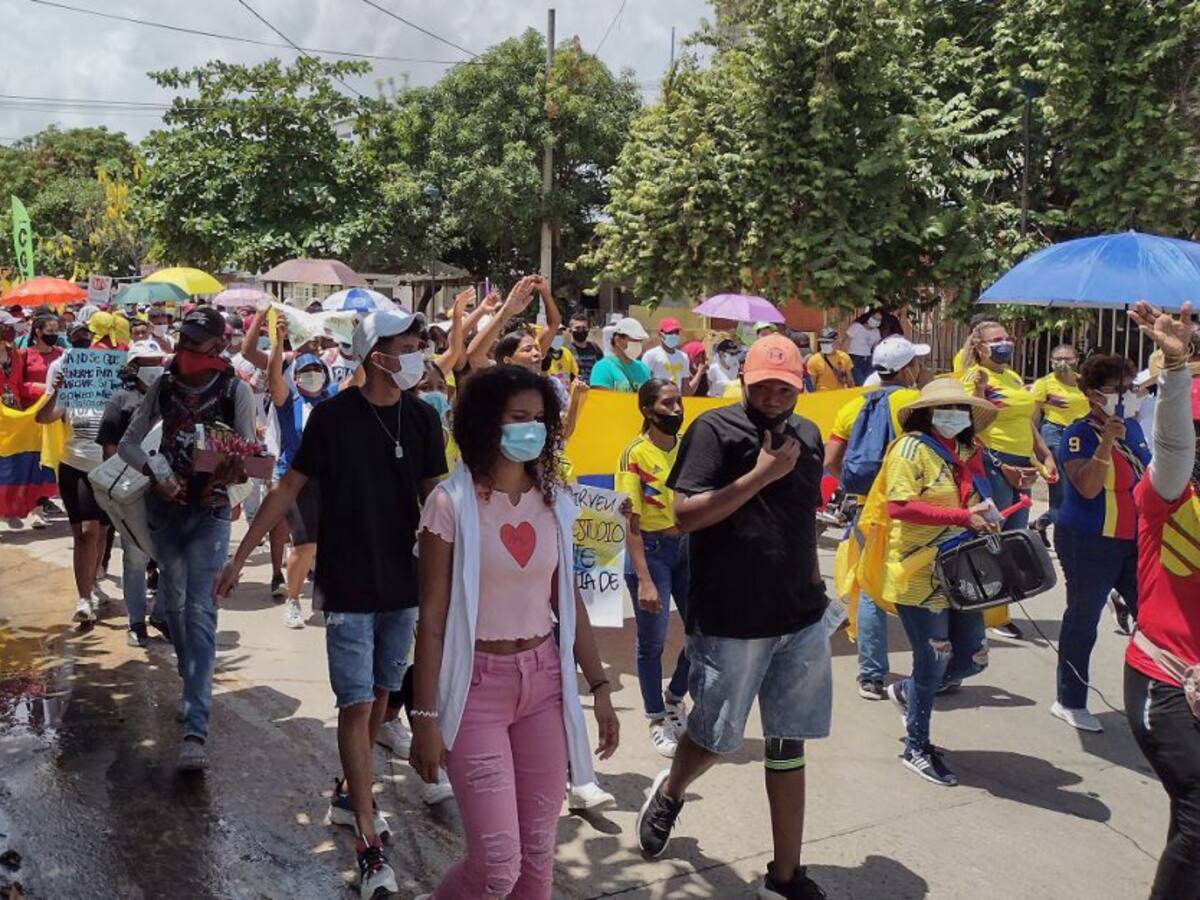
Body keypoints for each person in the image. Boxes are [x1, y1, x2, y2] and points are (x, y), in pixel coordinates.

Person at [215, 309, 447, 899]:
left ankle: (349, 792)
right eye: (410, 345)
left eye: (421, 344)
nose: (420, 353)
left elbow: (437, 506)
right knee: (354, 703)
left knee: (380, 700)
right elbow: (287, 487)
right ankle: (368, 838)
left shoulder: (422, 421)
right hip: (346, 584)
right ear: (377, 356)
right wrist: (240, 557)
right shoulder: (333, 419)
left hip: (404, 586)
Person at [409, 364, 618, 900]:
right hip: (475, 690)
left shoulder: (555, 501)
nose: (533, 430)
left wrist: (599, 689)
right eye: (518, 418)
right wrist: (426, 717)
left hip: (544, 684)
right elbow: (431, 621)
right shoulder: (450, 505)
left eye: (541, 420)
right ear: (485, 424)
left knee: (536, 862)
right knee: (497, 866)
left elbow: (566, 600)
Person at [637, 334, 831, 900]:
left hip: (801, 614)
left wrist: (815, 579)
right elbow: (685, 515)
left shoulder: (808, 435)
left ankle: (784, 876)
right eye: (763, 385)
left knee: (788, 741)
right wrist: (760, 475)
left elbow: (802, 517)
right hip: (731, 616)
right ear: (743, 381)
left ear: (799, 386)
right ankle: (671, 791)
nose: (774, 396)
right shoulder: (713, 431)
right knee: (718, 737)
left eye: (785, 386)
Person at [118, 307, 257, 772]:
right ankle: (190, 675)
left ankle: (196, 726)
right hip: (165, 510)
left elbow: (253, 459)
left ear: (219, 347)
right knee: (174, 605)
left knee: (200, 610)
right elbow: (128, 443)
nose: (186, 353)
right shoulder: (163, 384)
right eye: (182, 342)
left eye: (196, 345)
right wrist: (155, 470)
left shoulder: (237, 390)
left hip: (212, 514)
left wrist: (234, 469)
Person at [880, 379, 998, 785]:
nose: (955, 415)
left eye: (961, 409)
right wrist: (962, 518)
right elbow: (898, 507)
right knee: (933, 663)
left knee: (973, 658)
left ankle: (909, 691)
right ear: (928, 412)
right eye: (946, 408)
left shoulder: (967, 450)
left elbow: (976, 495)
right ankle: (916, 746)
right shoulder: (909, 449)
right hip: (920, 575)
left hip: (964, 572)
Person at [1122, 300, 1200, 900]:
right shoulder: (1167, 492)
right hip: (1163, 680)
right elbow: (1173, 446)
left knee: (1188, 816)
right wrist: (1176, 371)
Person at [1051, 354, 1151, 732]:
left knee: (1153, 618)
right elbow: (1088, 487)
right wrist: (1106, 441)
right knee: (1082, 618)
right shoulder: (1078, 434)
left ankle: (1163, 697)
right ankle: (1070, 699)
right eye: (1118, 390)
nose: (1128, 396)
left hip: (1133, 539)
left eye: (1131, 387)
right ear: (1094, 395)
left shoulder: (1136, 429)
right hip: (1089, 541)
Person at [824, 335, 928, 700]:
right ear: (906, 369)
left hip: (865, 507)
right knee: (920, 584)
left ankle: (871, 676)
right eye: (917, 361)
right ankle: (930, 673)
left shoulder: (854, 406)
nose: (921, 367)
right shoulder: (917, 404)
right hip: (908, 507)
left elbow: (831, 460)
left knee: (869, 588)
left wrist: (857, 488)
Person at [962, 319, 1058, 640]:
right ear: (979, 346)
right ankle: (989, 613)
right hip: (993, 463)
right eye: (997, 339)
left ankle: (999, 608)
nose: (1006, 343)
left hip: (1022, 465)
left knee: (1014, 536)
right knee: (992, 538)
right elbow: (970, 428)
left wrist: (1044, 455)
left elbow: (1027, 422)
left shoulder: (1014, 377)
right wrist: (977, 393)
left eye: (1007, 337)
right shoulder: (975, 379)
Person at [617, 379, 690, 757]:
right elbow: (630, 521)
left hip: (688, 548)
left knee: (703, 631)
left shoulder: (689, 447)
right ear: (647, 410)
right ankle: (657, 717)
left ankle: (676, 696)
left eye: (678, 401)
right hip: (652, 550)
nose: (676, 410)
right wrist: (644, 578)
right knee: (653, 641)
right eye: (667, 404)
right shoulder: (634, 454)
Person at [36, 322, 110, 624]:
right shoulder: (70, 393)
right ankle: (83, 598)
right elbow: (42, 418)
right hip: (74, 466)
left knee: (102, 531)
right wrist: (57, 392)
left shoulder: (111, 395)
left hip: (106, 471)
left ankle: (92, 584)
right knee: (84, 533)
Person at [97, 341, 168, 646]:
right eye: (147, 361)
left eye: (157, 360)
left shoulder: (170, 397)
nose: (154, 366)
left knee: (170, 559)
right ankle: (135, 621)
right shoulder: (121, 400)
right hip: (133, 493)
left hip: (166, 490)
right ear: (134, 366)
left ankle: (163, 615)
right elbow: (111, 449)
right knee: (135, 559)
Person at [267, 320, 335, 630]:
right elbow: (273, 381)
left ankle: (326, 600)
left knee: (330, 545)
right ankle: (293, 600)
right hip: (294, 480)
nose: (312, 375)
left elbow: (360, 376)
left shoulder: (333, 400)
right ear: (294, 378)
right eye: (304, 372)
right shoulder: (289, 402)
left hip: (330, 481)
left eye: (317, 370)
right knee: (305, 544)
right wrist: (278, 343)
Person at [1031, 344, 1090, 537]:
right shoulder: (1044, 384)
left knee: (1080, 486)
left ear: (1077, 361)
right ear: (1051, 362)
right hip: (1054, 433)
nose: (1063, 363)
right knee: (1060, 486)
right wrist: (1035, 445)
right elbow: (1034, 416)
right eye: (1058, 359)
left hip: (1081, 435)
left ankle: (1044, 521)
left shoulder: (1086, 383)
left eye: (1068, 359)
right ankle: (1062, 531)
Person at [590, 317, 652, 392]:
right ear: (618, 340)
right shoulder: (602, 368)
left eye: (640, 341)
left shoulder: (643, 369)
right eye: (634, 340)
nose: (638, 344)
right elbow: (601, 401)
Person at [643, 317, 696, 394]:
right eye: (670, 332)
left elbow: (685, 388)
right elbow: (645, 385)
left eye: (676, 332)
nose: (674, 335)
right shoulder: (651, 355)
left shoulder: (684, 357)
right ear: (660, 334)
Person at [805, 327, 854, 391]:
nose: (824, 345)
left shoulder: (844, 357)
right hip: (822, 398)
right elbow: (811, 385)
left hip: (840, 397)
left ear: (835, 342)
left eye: (828, 342)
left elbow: (850, 380)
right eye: (822, 342)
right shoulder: (814, 360)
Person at [567, 310, 604, 383]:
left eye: (584, 328)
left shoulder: (595, 348)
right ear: (570, 330)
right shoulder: (567, 351)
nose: (581, 330)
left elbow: (602, 369)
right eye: (577, 328)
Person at [846, 311, 883, 384]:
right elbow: (846, 342)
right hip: (855, 359)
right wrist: (843, 358)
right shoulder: (856, 327)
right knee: (861, 383)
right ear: (869, 317)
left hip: (868, 360)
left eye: (879, 320)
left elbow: (876, 347)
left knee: (869, 383)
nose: (876, 321)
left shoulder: (876, 331)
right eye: (874, 318)